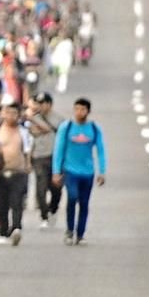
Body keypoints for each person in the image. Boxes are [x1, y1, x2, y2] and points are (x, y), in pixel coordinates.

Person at [52, 98, 106, 246]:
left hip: (87, 172)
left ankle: (80, 234)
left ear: (88, 111)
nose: (79, 112)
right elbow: (59, 150)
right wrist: (56, 171)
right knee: (72, 197)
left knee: (84, 203)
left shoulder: (94, 128)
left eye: (82, 109)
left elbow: (101, 150)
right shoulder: (67, 127)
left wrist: (102, 171)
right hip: (70, 171)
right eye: (76, 109)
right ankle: (69, 230)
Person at [0, 103, 33, 247]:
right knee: (2, 204)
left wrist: (28, 164)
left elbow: (27, 149)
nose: (11, 116)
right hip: (1, 173)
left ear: (19, 115)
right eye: (8, 113)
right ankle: (3, 231)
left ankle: (16, 228)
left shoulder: (23, 131)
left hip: (18, 172)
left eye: (14, 113)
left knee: (17, 202)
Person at [25, 92, 64, 228]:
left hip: (55, 157)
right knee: (40, 188)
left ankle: (53, 209)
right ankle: (44, 215)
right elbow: (30, 137)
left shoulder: (59, 120)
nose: (40, 106)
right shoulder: (32, 119)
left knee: (56, 188)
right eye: (38, 103)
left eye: (43, 103)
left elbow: (48, 130)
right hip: (39, 156)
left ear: (49, 104)